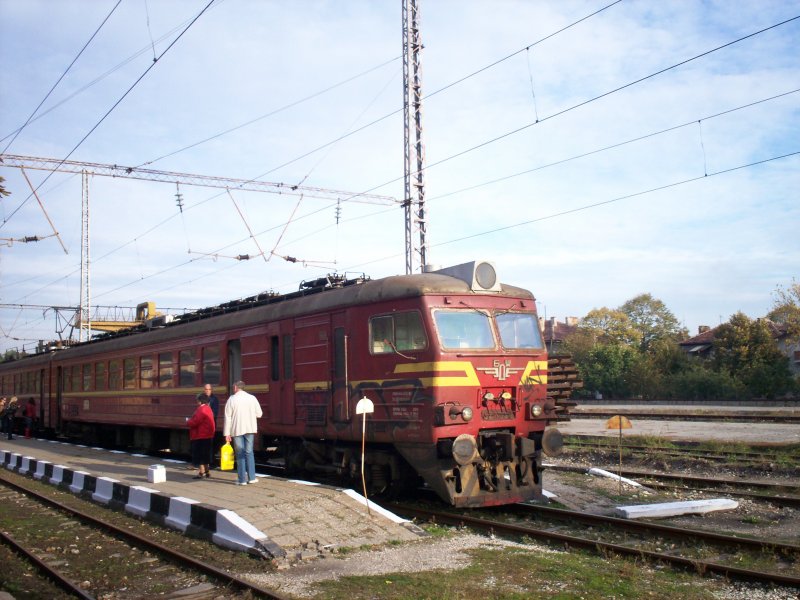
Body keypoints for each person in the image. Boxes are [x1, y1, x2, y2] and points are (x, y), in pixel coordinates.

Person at [223, 381, 262, 485]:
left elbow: (228, 417)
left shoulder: (231, 399)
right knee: (249, 452)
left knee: (240, 453)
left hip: (237, 430)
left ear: (235, 387)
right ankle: (252, 477)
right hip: (250, 429)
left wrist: (227, 433)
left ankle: (242, 480)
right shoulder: (252, 398)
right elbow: (259, 414)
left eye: (233, 387)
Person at [187, 393, 215, 479]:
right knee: (205, 455)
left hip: (200, 436)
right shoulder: (208, 409)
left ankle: (201, 473)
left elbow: (195, 422)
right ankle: (207, 472)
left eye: (197, 400)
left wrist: (187, 421)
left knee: (200, 456)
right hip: (207, 435)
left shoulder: (201, 410)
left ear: (200, 401)